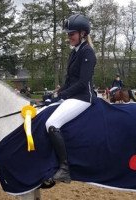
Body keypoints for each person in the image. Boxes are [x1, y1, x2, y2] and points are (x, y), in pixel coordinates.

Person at [45, 14, 97, 183]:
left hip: (83, 98)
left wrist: (63, 95)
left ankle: (65, 168)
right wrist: (55, 95)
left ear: (82, 33)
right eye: (68, 34)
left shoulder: (88, 52)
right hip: (72, 96)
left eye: (72, 34)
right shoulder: (74, 53)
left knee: (51, 124)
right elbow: (69, 81)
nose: (69, 37)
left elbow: (83, 82)